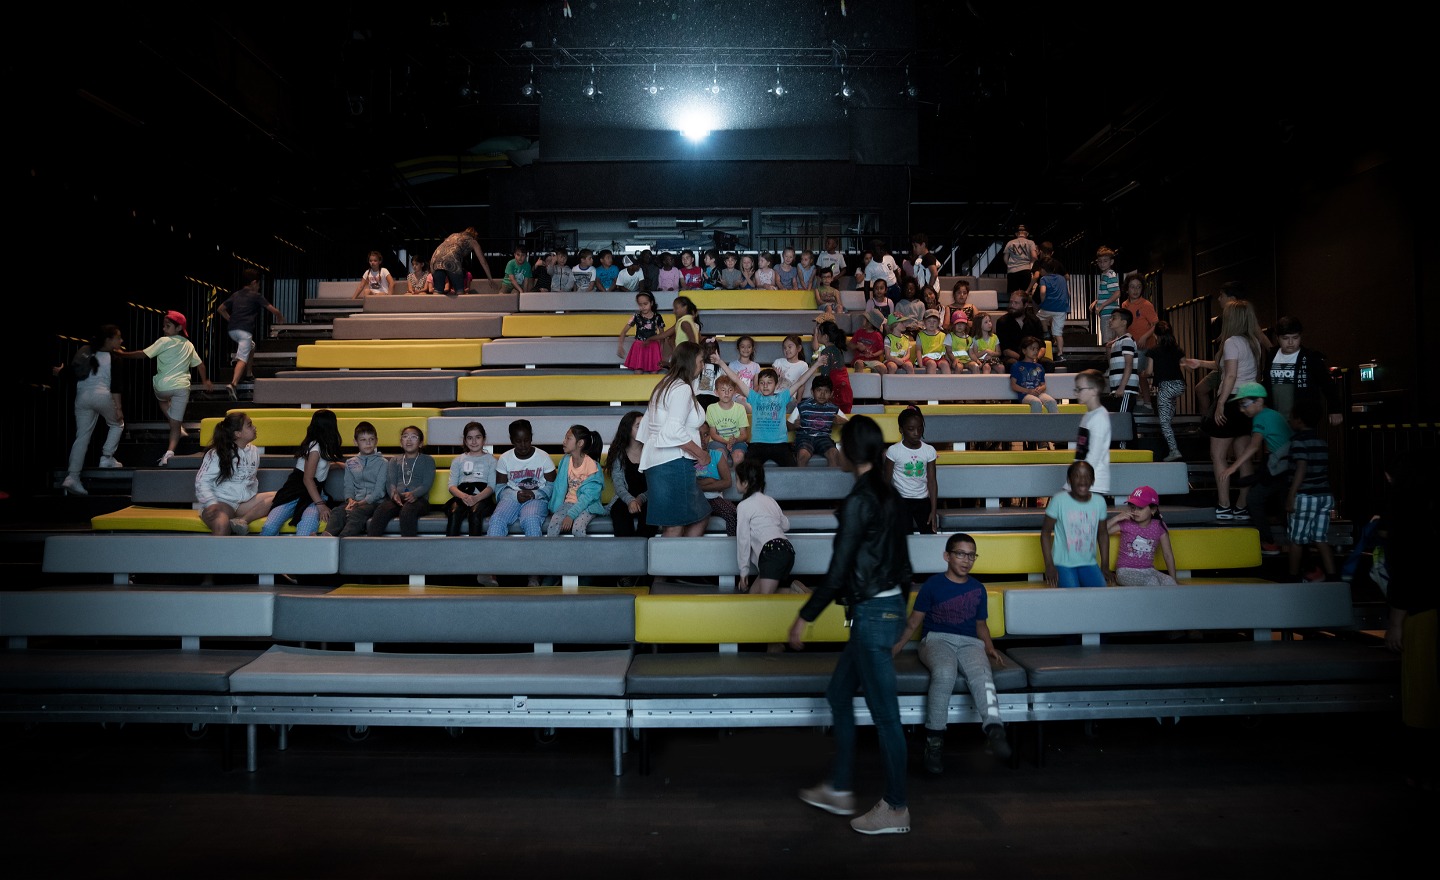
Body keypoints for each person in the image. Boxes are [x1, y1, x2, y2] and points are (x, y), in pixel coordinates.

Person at [792, 415, 913, 836]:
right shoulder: (887, 494)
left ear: (851, 453)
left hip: (873, 616)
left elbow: (840, 568)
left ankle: (896, 807)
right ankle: (841, 788)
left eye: (841, 444)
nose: (837, 450)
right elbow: (905, 564)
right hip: (884, 610)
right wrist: (900, 611)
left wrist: (804, 617)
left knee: (886, 717)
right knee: (839, 693)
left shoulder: (863, 500)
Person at [892, 532, 1011, 776]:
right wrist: (896, 647)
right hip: (936, 640)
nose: (966, 560)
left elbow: (981, 625)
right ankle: (934, 742)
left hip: (970, 643)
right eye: (960, 554)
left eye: (971, 555)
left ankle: (995, 730)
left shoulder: (978, 589)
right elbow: (914, 622)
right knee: (945, 672)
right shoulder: (933, 585)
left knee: (982, 673)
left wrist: (989, 646)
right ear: (947, 556)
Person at [1381, 452, 1440, 791]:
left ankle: (1420, 770)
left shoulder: (1405, 520)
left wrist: (1396, 622)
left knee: (1421, 695)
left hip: (1421, 612)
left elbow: (1404, 577)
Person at [1185, 300, 1269, 520]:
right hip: (1249, 401)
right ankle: (1242, 506)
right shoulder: (1253, 343)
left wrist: (1220, 403)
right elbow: (1228, 366)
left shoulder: (1231, 342)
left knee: (1218, 455)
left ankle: (1224, 505)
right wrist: (1201, 363)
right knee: (1244, 457)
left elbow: (1230, 374)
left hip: (1232, 400)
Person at [114, 310, 211, 466]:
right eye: (164, 326)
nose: (164, 329)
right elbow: (200, 365)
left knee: (162, 400)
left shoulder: (163, 341)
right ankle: (169, 452)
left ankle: (176, 431)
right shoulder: (189, 344)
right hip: (182, 387)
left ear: (178, 328)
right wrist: (205, 381)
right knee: (175, 424)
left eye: (168, 326)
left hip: (163, 387)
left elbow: (143, 354)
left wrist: (122, 354)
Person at [639, 341, 712, 538]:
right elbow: (673, 431)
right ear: (689, 362)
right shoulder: (681, 389)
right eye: (700, 361)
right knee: (676, 524)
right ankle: (678, 566)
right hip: (673, 462)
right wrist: (701, 454)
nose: (702, 365)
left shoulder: (664, 384)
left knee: (686, 519)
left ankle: (678, 564)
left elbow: (646, 427)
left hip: (658, 461)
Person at [715, 355, 824, 469]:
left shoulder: (782, 397)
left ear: (776, 385)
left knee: (792, 470)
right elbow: (736, 380)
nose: (765, 386)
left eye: (769, 382)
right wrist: (721, 362)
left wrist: (816, 364)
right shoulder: (754, 397)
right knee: (747, 470)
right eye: (762, 383)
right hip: (758, 445)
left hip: (780, 445)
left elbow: (800, 381)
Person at [58, 325, 126, 496]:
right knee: (117, 424)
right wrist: (118, 409)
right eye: (118, 338)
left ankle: (72, 476)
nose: (121, 341)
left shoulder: (86, 351)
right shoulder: (114, 358)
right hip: (102, 396)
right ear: (109, 340)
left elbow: (72, 372)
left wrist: (60, 371)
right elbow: (116, 387)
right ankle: (107, 457)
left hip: (82, 397)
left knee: (82, 436)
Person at [1221, 383, 1292, 545]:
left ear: (1259, 402)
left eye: (1244, 404)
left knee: (1253, 498)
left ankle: (1268, 541)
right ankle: (1291, 545)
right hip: (1286, 465)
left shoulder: (1260, 417)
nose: (1242, 410)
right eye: (1240, 405)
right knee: (1283, 504)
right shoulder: (1273, 414)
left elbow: (1253, 446)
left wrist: (1233, 467)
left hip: (1281, 466)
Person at [262, 408, 343, 537]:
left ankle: (301, 555)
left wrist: (339, 465)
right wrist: (320, 504)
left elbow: (321, 467)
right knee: (269, 527)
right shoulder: (315, 448)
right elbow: (308, 478)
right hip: (294, 493)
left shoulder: (324, 446)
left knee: (307, 527)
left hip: (312, 495)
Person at [195, 412, 274, 536]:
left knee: (282, 496)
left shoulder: (253, 451)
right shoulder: (217, 453)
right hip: (221, 503)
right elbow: (202, 481)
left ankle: (242, 521)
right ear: (238, 434)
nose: (254, 427)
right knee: (221, 525)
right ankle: (218, 555)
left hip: (245, 503)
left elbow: (251, 481)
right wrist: (210, 502)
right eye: (249, 425)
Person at [1284, 392, 1336, 580]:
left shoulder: (1298, 442)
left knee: (1296, 540)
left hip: (1304, 496)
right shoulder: (1322, 442)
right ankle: (1332, 576)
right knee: (1321, 538)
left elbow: (1301, 467)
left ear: (1298, 420)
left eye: (1291, 416)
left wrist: (1291, 495)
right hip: (1324, 495)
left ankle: (1293, 576)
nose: (1289, 419)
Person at [1259, 316, 1343, 425]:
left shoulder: (1310, 357)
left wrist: (1335, 410)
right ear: (1278, 338)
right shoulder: (1272, 355)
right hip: (1276, 418)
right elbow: (1266, 383)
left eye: (1295, 338)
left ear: (1300, 337)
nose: (1290, 342)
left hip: (1302, 419)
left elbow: (1327, 384)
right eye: (1285, 338)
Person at [1041, 460, 1110, 588]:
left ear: (1093, 480)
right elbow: (1045, 533)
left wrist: (1105, 565)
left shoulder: (1099, 502)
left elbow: (1103, 534)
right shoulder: (1058, 500)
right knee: (1073, 598)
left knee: (1101, 597)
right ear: (1069, 480)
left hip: (1089, 563)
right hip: (1063, 564)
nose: (1082, 480)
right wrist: (1049, 565)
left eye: (1087, 476)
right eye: (1077, 476)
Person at [217, 268, 284, 398]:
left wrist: (231, 319)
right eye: (259, 284)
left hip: (232, 330)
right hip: (244, 331)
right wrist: (280, 317)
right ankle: (233, 384)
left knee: (251, 347)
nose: (259, 287)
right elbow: (273, 310)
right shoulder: (256, 296)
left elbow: (220, 309)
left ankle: (249, 374)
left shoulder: (236, 294)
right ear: (254, 283)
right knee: (242, 358)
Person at [487, 419, 556, 538]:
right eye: (518, 441)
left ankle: (533, 556)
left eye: (526, 440)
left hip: (537, 499)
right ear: (511, 440)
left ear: (531, 438)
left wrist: (535, 494)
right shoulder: (505, 459)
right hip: (511, 498)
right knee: (497, 520)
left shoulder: (543, 457)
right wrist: (515, 495)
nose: (523, 445)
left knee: (531, 520)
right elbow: (499, 489)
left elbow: (552, 486)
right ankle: (495, 556)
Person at [734, 459, 794, 595]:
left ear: (745, 483)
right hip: (787, 549)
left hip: (771, 551)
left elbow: (743, 540)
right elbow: (786, 525)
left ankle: (799, 594)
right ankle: (793, 591)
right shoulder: (770, 500)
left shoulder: (743, 506)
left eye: (737, 479)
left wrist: (744, 572)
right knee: (754, 596)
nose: (735, 483)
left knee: (765, 602)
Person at [367, 425, 435, 537]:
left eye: (414, 437)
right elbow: (390, 482)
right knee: (382, 509)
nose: (409, 440)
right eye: (405, 436)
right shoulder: (394, 460)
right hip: (397, 499)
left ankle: (408, 550)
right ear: (401, 442)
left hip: (419, 500)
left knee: (407, 511)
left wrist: (414, 494)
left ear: (421, 443)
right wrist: (393, 494)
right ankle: (370, 546)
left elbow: (427, 483)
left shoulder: (428, 460)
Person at [324, 421, 389, 537]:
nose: (368, 443)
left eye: (371, 439)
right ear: (356, 442)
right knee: (338, 511)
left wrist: (360, 504)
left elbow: (379, 491)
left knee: (357, 514)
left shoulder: (383, 463)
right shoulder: (350, 462)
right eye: (363, 440)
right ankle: (326, 538)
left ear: (376, 441)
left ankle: (342, 541)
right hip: (356, 501)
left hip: (374, 503)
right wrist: (350, 500)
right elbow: (348, 486)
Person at [1106, 486, 1178, 585]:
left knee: (1170, 582)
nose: (1135, 511)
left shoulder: (1158, 526)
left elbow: (1167, 554)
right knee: (1152, 582)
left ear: (1153, 510)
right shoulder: (1127, 523)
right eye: (1132, 507)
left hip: (1148, 570)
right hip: (1125, 571)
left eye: (1140, 508)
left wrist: (1174, 580)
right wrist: (1117, 518)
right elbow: (1102, 532)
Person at [885, 406, 938, 533]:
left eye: (920, 428)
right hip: (901, 501)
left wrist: (933, 510)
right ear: (901, 430)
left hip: (923, 501)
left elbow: (932, 481)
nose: (916, 432)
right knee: (904, 540)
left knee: (929, 536)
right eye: (911, 429)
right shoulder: (894, 450)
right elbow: (886, 481)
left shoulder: (929, 450)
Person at [546, 425, 605, 537]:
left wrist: (570, 515)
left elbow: (588, 498)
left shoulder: (593, 467)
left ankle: (581, 554)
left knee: (578, 527)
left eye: (568, 438)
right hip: (568, 503)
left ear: (580, 443)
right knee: (553, 526)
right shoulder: (565, 460)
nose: (564, 441)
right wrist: (555, 507)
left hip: (588, 505)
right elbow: (559, 488)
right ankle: (553, 554)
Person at [606, 411, 656, 542]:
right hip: (624, 498)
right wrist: (630, 501)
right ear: (628, 429)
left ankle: (644, 556)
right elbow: (618, 484)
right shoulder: (619, 453)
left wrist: (640, 499)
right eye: (638, 426)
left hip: (648, 499)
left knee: (651, 515)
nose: (643, 429)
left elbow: (656, 485)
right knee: (619, 513)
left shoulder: (652, 451)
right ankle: (627, 555)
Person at [444, 421, 497, 538]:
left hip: (482, 497)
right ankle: (449, 549)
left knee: (475, 512)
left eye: (478, 437)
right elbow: (451, 485)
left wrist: (476, 498)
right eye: (470, 438)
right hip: (462, 495)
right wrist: (464, 497)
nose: (474, 442)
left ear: (484, 439)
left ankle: (474, 552)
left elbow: (491, 486)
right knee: (454, 512)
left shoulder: (491, 460)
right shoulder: (458, 460)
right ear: (465, 440)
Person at [1148, 321, 1187, 461]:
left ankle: (1174, 450)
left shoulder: (1154, 350)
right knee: (1168, 417)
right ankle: (1170, 440)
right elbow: (1185, 364)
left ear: (1155, 334)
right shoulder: (1176, 349)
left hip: (1166, 387)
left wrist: (1142, 374)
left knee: (1164, 422)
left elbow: (1149, 371)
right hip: (1180, 386)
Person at [1072, 369, 1113, 497]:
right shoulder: (1088, 416)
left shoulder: (1100, 417)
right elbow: (1081, 451)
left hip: (1093, 483)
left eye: (1080, 389)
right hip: (1084, 480)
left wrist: (1080, 481)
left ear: (1094, 390)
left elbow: (1094, 454)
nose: (1077, 393)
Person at [793, 375, 848, 467]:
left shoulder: (833, 409)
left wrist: (843, 421)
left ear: (831, 393)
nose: (822, 394)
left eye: (826, 391)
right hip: (804, 437)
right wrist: (794, 425)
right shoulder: (802, 406)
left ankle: (831, 481)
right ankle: (802, 481)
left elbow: (851, 425)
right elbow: (788, 425)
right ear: (812, 391)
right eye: (819, 390)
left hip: (823, 438)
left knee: (833, 453)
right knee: (802, 455)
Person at [693, 423, 737, 536]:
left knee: (734, 514)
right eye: (699, 435)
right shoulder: (687, 457)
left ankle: (732, 548)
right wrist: (712, 481)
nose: (703, 439)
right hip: (694, 499)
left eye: (706, 435)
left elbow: (727, 482)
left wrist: (700, 485)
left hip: (714, 499)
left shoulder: (716, 455)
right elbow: (688, 484)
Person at [430, 227, 493, 295]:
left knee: (437, 291)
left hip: (435, 258)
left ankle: (435, 304)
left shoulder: (453, 235)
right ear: (474, 236)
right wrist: (490, 278)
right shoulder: (473, 241)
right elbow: (483, 262)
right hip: (451, 259)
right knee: (460, 292)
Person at [997, 289, 1048, 368]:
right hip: (1013, 357)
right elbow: (1005, 350)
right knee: (1012, 364)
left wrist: (1036, 358)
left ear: (1025, 305)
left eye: (1016, 303)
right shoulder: (1002, 322)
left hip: (1033, 357)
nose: (1012, 305)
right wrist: (1024, 359)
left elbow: (1042, 346)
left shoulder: (1034, 321)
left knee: (1048, 363)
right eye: (1011, 302)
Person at [811, 319, 854, 413]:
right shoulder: (838, 350)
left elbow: (825, 376)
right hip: (845, 391)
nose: (817, 335)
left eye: (819, 333)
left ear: (825, 337)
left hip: (836, 391)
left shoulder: (826, 352)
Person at [617, 292, 666, 373]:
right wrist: (620, 346)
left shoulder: (657, 317)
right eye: (640, 304)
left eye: (645, 304)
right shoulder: (636, 317)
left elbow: (662, 336)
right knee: (638, 372)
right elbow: (624, 332)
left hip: (653, 347)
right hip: (639, 347)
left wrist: (661, 351)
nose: (643, 307)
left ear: (651, 303)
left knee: (654, 372)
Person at [706, 375, 750, 465]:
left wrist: (735, 440)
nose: (726, 393)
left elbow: (744, 435)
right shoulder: (711, 408)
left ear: (734, 392)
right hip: (717, 441)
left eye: (730, 390)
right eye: (723, 390)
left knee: (739, 455)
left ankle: (738, 478)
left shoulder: (740, 408)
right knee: (720, 454)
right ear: (716, 392)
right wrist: (727, 442)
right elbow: (713, 434)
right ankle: (725, 479)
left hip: (737, 441)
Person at [1033, 257, 1070, 361]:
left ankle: (1046, 333)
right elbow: (1068, 292)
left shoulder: (1044, 279)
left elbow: (1043, 292)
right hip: (1061, 308)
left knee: (1039, 317)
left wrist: (1042, 301)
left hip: (1048, 306)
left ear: (1044, 270)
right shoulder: (1062, 278)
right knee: (1058, 333)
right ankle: (1060, 353)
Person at [1010, 336, 1058, 414]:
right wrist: (1028, 391)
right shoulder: (1017, 366)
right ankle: (1035, 425)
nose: (1035, 351)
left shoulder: (1039, 367)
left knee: (1051, 402)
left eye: (1037, 349)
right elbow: (1013, 385)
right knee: (1036, 402)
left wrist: (1040, 389)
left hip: (1037, 393)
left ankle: (1056, 425)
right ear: (1024, 351)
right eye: (1032, 349)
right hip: (1025, 395)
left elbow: (1043, 385)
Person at [1106, 308, 1141, 413]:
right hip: (1118, 387)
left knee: (1123, 418)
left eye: (1114, 318)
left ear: (1124, 322)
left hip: (1126, 388)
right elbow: (1112, 364)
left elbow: (1129, 364)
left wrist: (1122, 387)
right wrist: (1108, 349)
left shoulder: (1127, 340)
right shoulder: (1117, 341)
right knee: (1124, 418)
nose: (1110, 320)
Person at [1090, 246, 1122, 343]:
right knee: (1109, 342)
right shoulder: (1105, 274)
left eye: (1105, 261)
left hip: (1109, 313)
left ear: (1111, 262)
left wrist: (1102, 305)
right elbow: (1108, 293)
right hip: (1107, 313)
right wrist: (1096, 302)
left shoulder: (1110, 274)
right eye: (1100, 261)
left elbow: (1117, 293)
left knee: (1108, 342)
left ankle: (1111, 358)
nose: (1102, 264)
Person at [656, 295, 701, 363]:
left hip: (686, 355)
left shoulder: (693, 325)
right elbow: (668, 338)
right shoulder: (680, 324)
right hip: (680, 355)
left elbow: (696, 339)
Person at [1003, 224, 1040, 294]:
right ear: (1027, 234)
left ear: (1016, 234)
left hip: (1012, 271)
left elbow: (1005, 258)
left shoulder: (1010, 243)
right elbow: (1034, 256)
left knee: (1013, 294)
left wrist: (1010, 265)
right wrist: (1031, 263)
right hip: (1025, 270)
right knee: (1025, 294)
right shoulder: (1030, 242)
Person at [916, 310, 953, 374]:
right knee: (932, 364)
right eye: (929, 321)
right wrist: (920, 364)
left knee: (945, 364)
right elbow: (918, 350)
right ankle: (931, 383)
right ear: (924, 322)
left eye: (934, 321)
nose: (932, 323)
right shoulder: (920, 335)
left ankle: (947, 383)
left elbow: (946, 350)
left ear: (938, 322)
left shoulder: (943, 335)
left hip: (939, 358)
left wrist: (949, 361)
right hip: (926, 358)